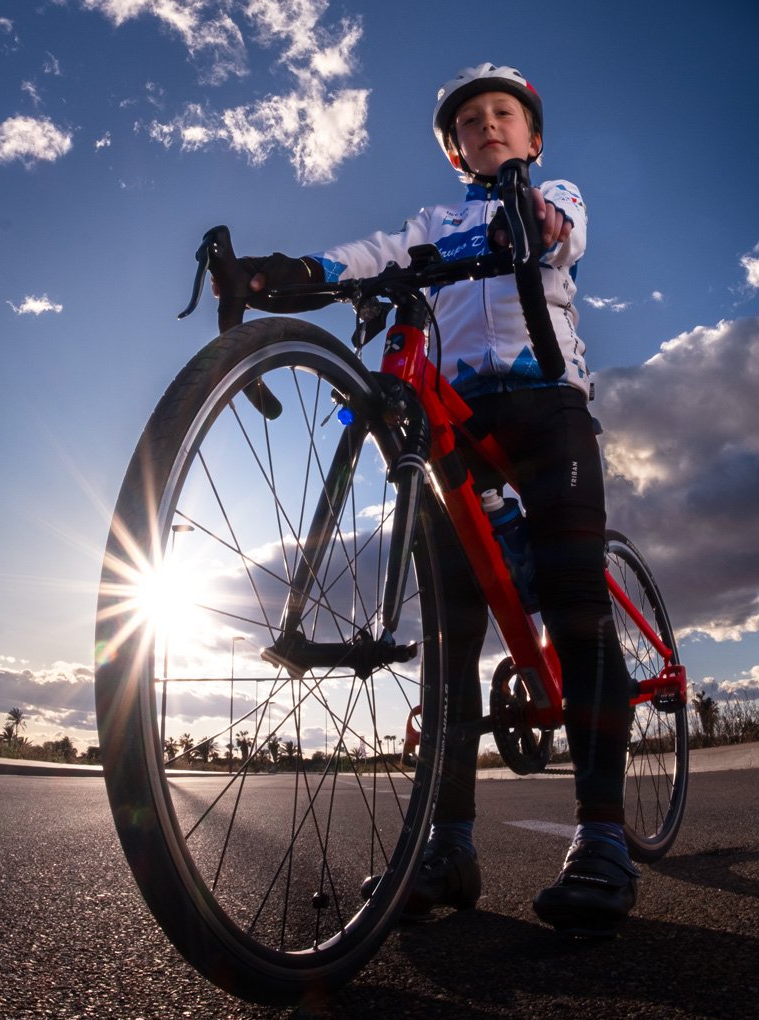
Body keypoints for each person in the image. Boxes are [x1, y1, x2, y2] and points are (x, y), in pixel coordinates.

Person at [243, 63, 638, 938]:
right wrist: (293, 271)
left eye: (504, 114)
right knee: (452, 636)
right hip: (454, 424)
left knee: (575, 604)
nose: (488, 125)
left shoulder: (550, 190)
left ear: (530, 138)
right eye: (470, 120)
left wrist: (532, 215)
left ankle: (603, 836)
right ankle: (448, 846)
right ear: (455, 149)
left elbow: (557, 230)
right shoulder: (434, 223)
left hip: (546, 406)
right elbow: (377, 256)